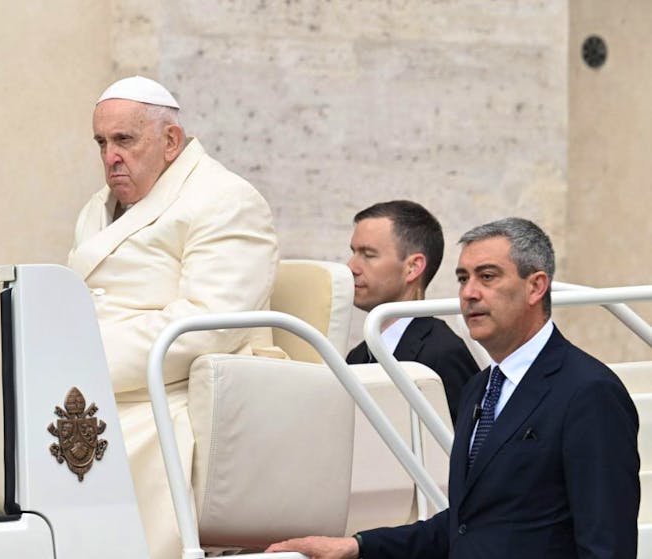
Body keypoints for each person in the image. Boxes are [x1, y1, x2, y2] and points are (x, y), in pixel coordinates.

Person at [267, 218, 639, 558]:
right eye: (463, 278)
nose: (469, 293)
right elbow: (465, 526)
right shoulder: (481, 388)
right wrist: (356, 546)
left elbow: (606, 546)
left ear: (536, 287)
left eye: (488, 277)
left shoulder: (590, 391)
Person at [67, 76, 279, 559]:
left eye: (124, 140)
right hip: (97, 377)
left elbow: (210, 324)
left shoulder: (225, 199)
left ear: (170, 142)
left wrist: (85, 360)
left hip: (174, 385)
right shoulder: (96, 209)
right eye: (101, 142)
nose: (110, 156)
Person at [345, 201, 479, 423]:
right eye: (353, 252)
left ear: (413, 267)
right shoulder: (357, 356)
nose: (351, 266)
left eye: (368, 254)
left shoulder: (443, 354)